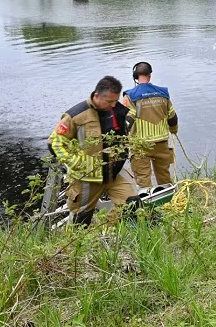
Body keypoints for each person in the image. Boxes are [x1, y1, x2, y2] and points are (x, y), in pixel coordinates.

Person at [47, 75, 140, 226]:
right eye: (109, 101)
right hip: (87, 176)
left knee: (132, 204)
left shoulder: (117, 110)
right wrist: (77, 163)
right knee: (81, 218)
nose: (113, 105)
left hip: (114, 171)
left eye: (115, 101)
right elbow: (55, 144)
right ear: (97, 95)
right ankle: (73, 246)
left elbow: (128, 123)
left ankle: (106, 228)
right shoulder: (76, 115)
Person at [123, 62, 179, 188]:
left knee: (143, 180)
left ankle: (148, 204)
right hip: (161, 143)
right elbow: (172, 116)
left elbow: (128, 120)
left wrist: (121, 139)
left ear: (135, 77)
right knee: (164, 177)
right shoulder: (163, 93)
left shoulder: (130, 96)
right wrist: (174, 130)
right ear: (150, 75)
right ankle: (168, 201)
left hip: (140, 145)